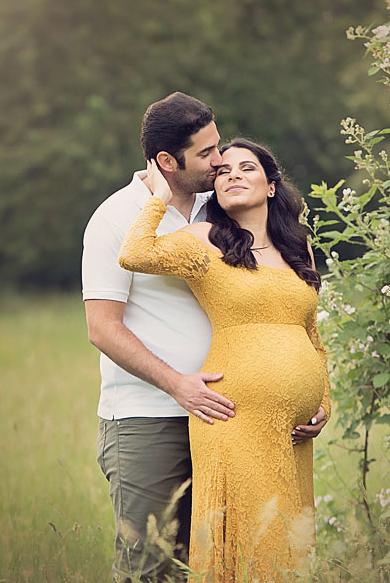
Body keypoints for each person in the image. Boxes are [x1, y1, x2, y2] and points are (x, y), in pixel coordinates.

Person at [118, 138, 330, 582]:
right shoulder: (204, 242)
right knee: (251, 540)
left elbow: (313, 336)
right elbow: (134, 254)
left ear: (271, 186)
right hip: (235, 416)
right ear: (214, 190)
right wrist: (158, 199)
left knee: (288, 540)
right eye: (223, 170)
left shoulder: (298, 250)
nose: (232, 174)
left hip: (294, 433)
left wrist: (324, 403)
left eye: (246, 168)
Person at [83, 92, 238, 582]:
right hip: (148, 420)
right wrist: (178, 384)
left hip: (226, 414)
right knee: (150, 569)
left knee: (218, 563)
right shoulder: (115, 216)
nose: (222, 160)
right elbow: (102, 328)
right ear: (167, 161)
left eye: (219, 145)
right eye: (208, 153)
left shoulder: (225, 208)